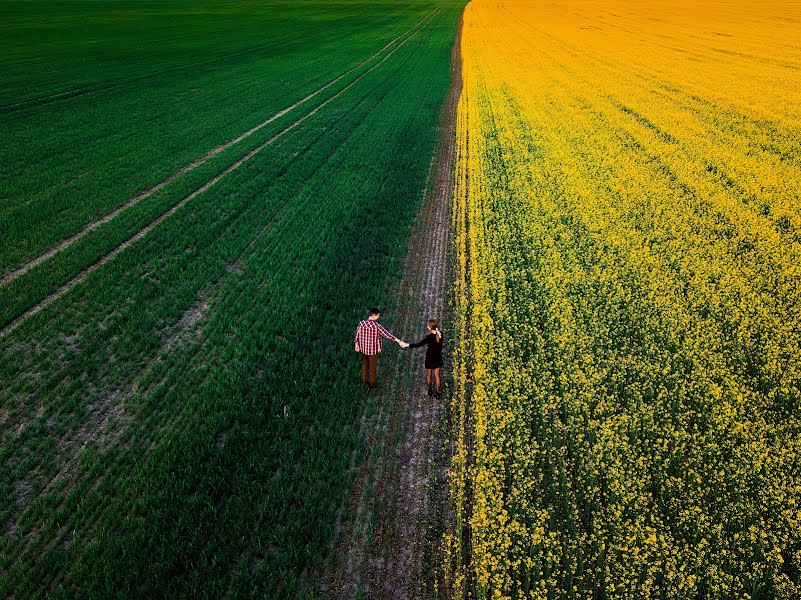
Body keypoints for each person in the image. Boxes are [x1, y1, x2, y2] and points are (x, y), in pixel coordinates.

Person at [354, 307, 408, 389]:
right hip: (373, 352)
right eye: (378, 315)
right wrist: (399, 341)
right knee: (372, 369)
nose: (378, 317)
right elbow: (388, 335)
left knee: (365, 366)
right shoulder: (376, 326)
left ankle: (364, 383)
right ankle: (372, 385)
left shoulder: (361, 323)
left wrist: (356, 344)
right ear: (374, 315)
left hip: (363, 350)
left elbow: (357, 335)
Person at [408, 319, 444, 398]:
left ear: (430, 328)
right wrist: (436, 330)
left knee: (428, 375)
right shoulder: (441, 334)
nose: (427, 326)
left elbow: (419, 344)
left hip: (430, 358)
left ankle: (430, 390)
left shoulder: (429, 337)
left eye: (428, 325)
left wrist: (408, 345)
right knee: (437, 376)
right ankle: (437, 393)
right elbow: (438, 332)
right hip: (437, 357)